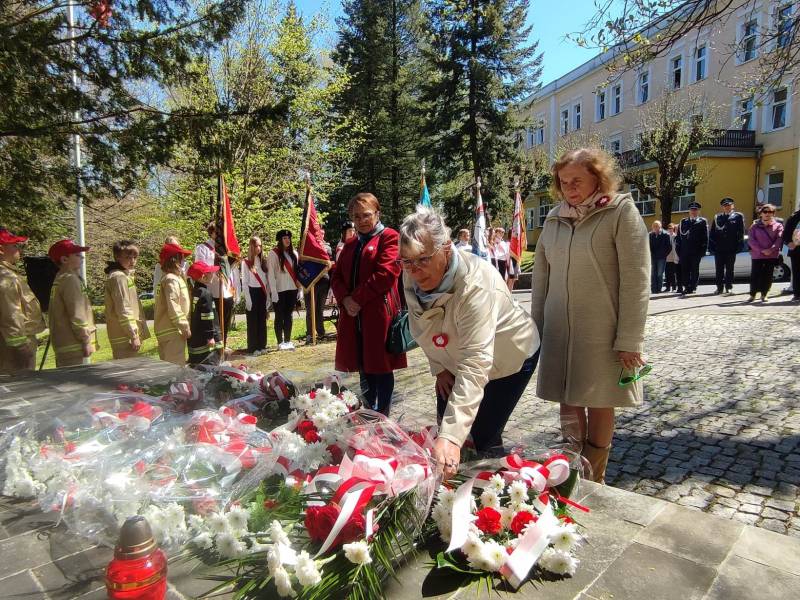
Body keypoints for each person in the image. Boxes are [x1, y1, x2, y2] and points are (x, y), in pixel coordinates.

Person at [531, 147, 649, 483]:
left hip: (602, 329)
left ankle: (594, 477)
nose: (569, 187)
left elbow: (637, 279)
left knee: (599, 399)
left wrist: (630, 338)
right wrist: (534, 334)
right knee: (567, 398)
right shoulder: (554, 219)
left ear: (598, 178)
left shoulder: (620, 212)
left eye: (577, 180)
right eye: (563, 181)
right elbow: (541, 282)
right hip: (559, 329)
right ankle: (571, 471)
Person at [400, 207, 539, 478]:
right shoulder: (413, 274)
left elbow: (476, 363)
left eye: (423, 259)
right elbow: (422, 325)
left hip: (509, 357)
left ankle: (491, 488)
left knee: (482, 436)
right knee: (443, 431)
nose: (414, 271)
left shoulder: (476, 284)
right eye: (407, 262)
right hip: (454, 357)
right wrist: (439, 367)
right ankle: (447, 491)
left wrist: (452, 437)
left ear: (446, 249)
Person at [331, 192, 407, 415]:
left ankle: (382, 415)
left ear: (377, 213)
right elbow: (336, 276)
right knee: (362, 364)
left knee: (381, 366)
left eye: (366, 215)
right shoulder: (350, 244)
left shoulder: (390, 237)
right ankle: (367, 411)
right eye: (356, 217)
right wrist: (345, 299)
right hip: (354, 317)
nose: (362, 220)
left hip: (379, 315)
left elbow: (386, 274)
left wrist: (356, 299)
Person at [0, 228, 45, 374]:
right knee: (19, 383)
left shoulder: (9, 274)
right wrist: (21, 347)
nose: (19, 249)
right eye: (14, 245)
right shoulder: (5, 277)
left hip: (11, 345)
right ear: (1, 249)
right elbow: (10, 316)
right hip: (13, 351)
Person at [48, 239, 97, 367]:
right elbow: (77, 313)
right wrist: (86, 340)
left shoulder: (60, 278)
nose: (82, 257)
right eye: (77, 255)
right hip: (73, 344)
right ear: (64, 259)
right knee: (75, 377)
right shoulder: (70, 279)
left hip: (65, 344)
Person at [104, 240, 150, 359]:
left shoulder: (123, 275)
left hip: (125, 335)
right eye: (128, 257)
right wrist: (133, 335)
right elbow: (124, 308)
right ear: (117, 257)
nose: (132, 261)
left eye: (135, 257)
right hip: (125, 336)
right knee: (128, 367)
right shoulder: (119, 277)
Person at [194, 222, 235, 348]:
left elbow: (231, 271)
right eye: (218, 232)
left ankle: (224, 345)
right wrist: (215, 265)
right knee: (214, 324)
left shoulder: (226, 249)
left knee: (225, 323)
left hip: (226, 291)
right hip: (213, 291)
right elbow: (200, 268)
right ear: (212, 232)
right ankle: (216, 348)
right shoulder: (202, 248)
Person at [154, 242, 192, 365]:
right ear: (174, 260)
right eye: (182, 258)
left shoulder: (171, 278)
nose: (184, 262)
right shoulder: (171, 279)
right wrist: (184, 326)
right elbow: (173, 304)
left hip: (170, 331)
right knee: (175, 367)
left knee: (170, 366)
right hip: (173, 331)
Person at [266, 229, 300, 350]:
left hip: (292, 289)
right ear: (280, 240)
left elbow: (298, 273)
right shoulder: (273, 254)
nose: (287, 240)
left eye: (288, 238)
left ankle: (288, 340)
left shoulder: (294, 254)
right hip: (279, 290)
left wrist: (300, 289)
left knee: (289, 315)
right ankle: (280, 342)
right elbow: (270, 274)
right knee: (279, 316)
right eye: (284, 238)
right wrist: (273, 291)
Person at [186, 261, 223, 365]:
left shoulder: (195, 291)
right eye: (210, 272)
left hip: (196, 339)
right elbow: (207, 317)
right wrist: (210, 337)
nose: (213, 274)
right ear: (203, 276)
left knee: (196, 366)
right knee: (209, 367)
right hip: (206, 342)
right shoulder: (206, 294)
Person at [747, 204, 784, 303]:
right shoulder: (754, 226)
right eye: (765, 212)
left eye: (770, 212)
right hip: (757, 255)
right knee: (755, 275)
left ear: (773, 214)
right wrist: (761, 250)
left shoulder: (778, 225)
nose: (767, 214)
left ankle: (764, 294)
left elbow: (779, 239)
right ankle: (752, 294)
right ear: (761, 214)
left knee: (767, 275)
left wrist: (771, 249)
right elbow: (751, 240)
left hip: (771, 255)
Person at [709, 197, 745, 295]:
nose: (727, 207)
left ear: (732, 206)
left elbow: (741, 232)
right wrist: (712, 246)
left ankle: (729, 287)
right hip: (719, 248)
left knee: (730, 269)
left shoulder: (738, 216)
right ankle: (719, 288)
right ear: (722, 207)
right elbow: (712, 233)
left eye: (729, 205)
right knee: (719, 269)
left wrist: (740, 245)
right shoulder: (717, 217)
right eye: (725, 206)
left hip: (731, 248)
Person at [240, 236, 269, 354]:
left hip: (262, 292)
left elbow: (266, 281)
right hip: (252, 292)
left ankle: (262, 345)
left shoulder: (263, 261)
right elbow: (245, 282)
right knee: (253, 322)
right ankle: (253, 347)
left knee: (262, 320)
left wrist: (268, 297)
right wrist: (248, 299)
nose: (259, 248)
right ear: (251, 247)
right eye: (256, 246)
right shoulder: (246, 262)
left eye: (260, 246)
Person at [304, 229, 331, 344]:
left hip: (323, 281)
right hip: (310, 281)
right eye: (319, 233)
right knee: (310, 309)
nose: (321, 235)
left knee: (319, 309)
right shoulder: (307, 246)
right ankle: (310, 334)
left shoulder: (327, 247)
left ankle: (321, 333)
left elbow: (328, 258)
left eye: (322, 234)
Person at [675, 201, 708, 296]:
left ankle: (693, 287)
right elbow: (679, 237)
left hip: (696, 251)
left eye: (695, 210)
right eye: (692, 210)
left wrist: (703, 251)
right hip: (684, 251)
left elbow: (705, 238)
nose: (693, 212)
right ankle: (686, 287)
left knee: (694, 270)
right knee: (685, 270)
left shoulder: (702, 222)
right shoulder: (683, 222)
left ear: (698, 211)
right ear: (689, 211)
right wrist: (678, 250)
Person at [782, 206, 800, 302]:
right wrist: (789, 242)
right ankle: (797, 294)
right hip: (796, 250)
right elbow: (785, 234)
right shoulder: (794, 217)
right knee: (797, 273)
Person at [648, 221, 671, 294]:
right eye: (653, 227)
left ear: (660, 227)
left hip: (661, 257)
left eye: (656, 226)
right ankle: (653, 289)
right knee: (653, 273)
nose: (655, 228)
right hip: (653, 257)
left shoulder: (666, 234)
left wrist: (664, 255)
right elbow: (648, 246)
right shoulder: (650, 235)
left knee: (659, 274)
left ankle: (659, 289)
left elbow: (669, 247)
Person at [665, 223, 681, 292]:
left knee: (673, 274)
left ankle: (674, 287)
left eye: (671, 228)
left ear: (673, 229)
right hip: (667, 258)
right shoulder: (666, 236)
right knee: (667, 273)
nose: (670, 229)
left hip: (674, 258)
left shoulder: (675, 236)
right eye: (669, 228)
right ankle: (667, 287)